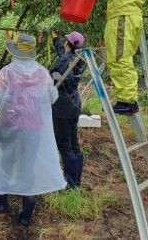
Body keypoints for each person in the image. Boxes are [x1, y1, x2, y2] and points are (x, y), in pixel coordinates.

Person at [0, 33, 67, 227]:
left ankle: (2, 206)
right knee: (29, 166)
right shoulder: (42, 73)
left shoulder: (6, 73)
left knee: (6, 163)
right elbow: (52, 97)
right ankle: (26, 215)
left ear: (15, 51)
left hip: (8, 127)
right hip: (32, 129)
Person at [64, 0, 148, 115]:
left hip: (122, 15)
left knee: (119, 58)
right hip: (133, 17)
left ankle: (127, 101)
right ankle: (129, 100)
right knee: (124, 57)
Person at [49, 31, 85, 188]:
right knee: (73, 142)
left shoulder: (64, 61)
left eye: (65, 41)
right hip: (74, 103)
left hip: (62, 106)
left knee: (64, 144)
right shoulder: (77, 58)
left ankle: (71, 182)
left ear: (68, 44)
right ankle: (76, 179)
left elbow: (56, 73)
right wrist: (55, 39)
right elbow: (63, 54)